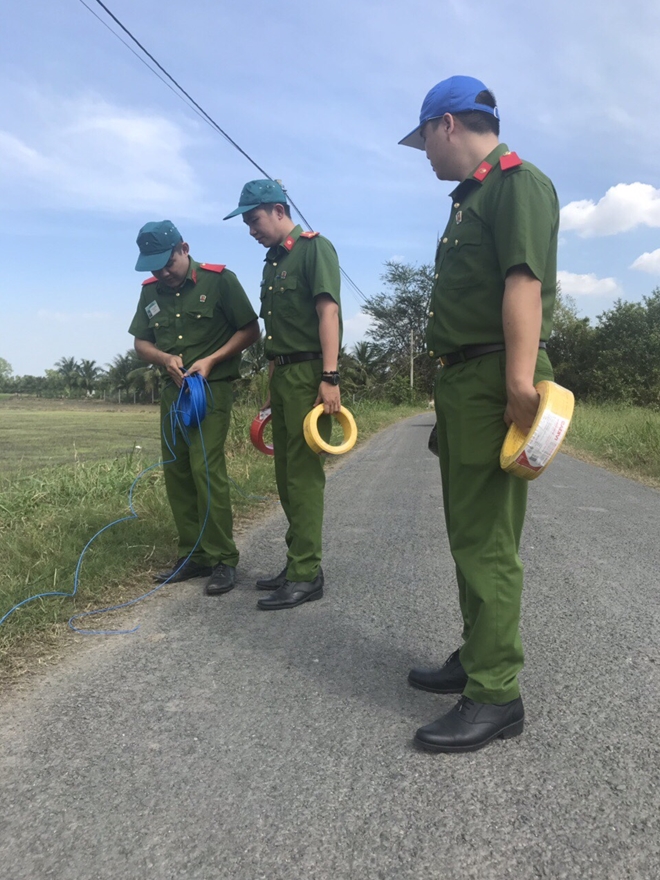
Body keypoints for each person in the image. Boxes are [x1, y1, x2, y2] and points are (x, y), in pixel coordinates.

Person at [399, 76, 559, 752]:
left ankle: (496, 693)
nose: (425, 155)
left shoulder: (517, 184)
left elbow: (525, 281)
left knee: (488, 540)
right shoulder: (469, 201)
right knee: (469, 534)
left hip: (496, 379)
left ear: (447, 125)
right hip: (467, 382)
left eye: (424, 141)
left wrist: (519, 380)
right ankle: (477, 651)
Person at [223, 180, 342, 610]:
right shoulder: (272, 264)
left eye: (253, 219)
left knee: (304, 478)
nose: (250, 229)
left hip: (312, 376)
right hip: (284, 375)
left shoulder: (314, 249)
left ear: (277, 210)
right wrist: (271, 390)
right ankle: (297, 563)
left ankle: (307, 573)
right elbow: (275, 334)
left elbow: (328, 311)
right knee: (285, 477)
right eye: (246, 223)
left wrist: (330, 376)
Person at [129, 220, 259, 596]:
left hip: (210, 390)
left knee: (205, 468)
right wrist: (163, 358)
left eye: (168, 263)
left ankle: (222, 558)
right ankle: (194, 554)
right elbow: (141, 343)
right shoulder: (151, 291)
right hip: (173, 393)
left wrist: (212, 360)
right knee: (178, 471)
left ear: (184, 248)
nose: (163, 273)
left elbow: (250, 330)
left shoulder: (220, 281)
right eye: (155, 268)